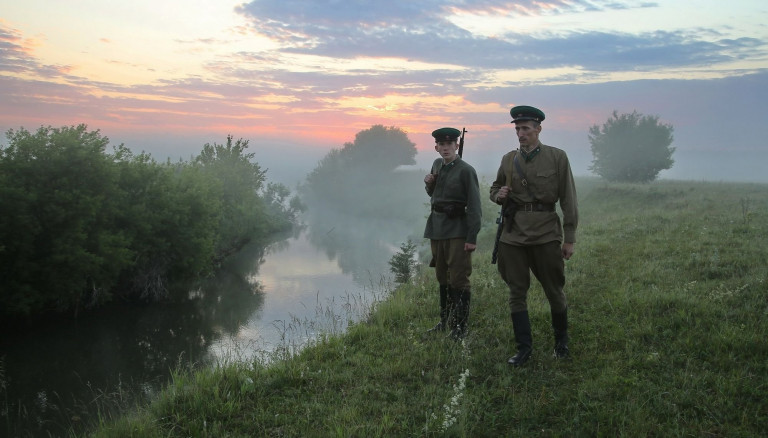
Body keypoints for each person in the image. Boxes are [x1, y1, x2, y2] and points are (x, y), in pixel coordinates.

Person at [489, 105, 578, 366]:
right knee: (516, 291)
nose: (521, 133)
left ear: (538, 129)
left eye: (526, 128)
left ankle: (561, 343)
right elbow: (495, 187)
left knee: (554, 289)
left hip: (546, 233)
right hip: (512, 234)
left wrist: (569, 237)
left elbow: (568, 198)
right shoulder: (508, 159)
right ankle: (524, 348)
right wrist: (498, 195)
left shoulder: (557, 157)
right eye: (517, 128)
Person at [423, 127, 482, 339]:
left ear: (457, 145)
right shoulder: (437, 164)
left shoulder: (466, 170)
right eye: (442, 145)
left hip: (457, 230)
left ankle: (460, 327)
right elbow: (435, 194)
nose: (445, 148)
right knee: (442, 276)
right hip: (437, 228)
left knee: (458, 278)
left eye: (450, 144)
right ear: (436, 147)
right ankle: (444, 321)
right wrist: (429, 184)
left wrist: (471, 237)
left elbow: (475, 206)